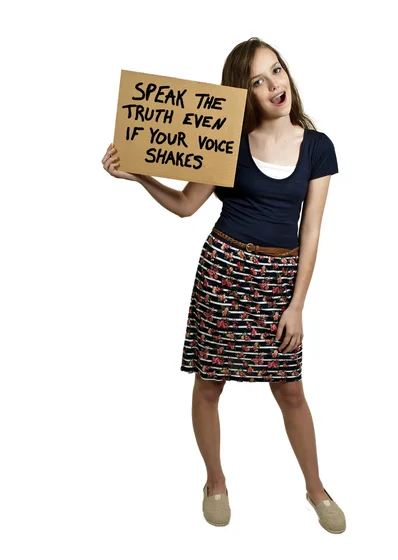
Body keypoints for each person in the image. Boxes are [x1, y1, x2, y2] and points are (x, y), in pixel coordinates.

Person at [101, 37, 346, 534]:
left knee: (291, 391)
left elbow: (311, 230)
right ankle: (215, 481)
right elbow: (188, 206)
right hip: (224, 273)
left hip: (279, 281)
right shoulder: (226, 141)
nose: (274, 85)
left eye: (276, 71)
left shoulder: (318, 147)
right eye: (258, 80)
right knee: (210, 384)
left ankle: (315, 488)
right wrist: (140, 176)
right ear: (244, 91)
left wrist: (297, 305)